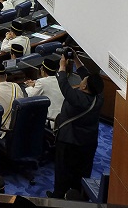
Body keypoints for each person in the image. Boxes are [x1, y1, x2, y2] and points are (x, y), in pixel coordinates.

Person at [49, 51, 104, 198]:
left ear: (84, 86)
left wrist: (62, 66)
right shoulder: (98, 96)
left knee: (63, 171)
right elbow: (87, 76)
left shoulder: (77, 98)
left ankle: (58, 196)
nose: (82, 79)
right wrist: (76, 59)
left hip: (69, 141)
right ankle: (78, 197)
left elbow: (63, 84)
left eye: (83, 80)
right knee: (82, 172)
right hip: (89, 142)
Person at [24, 58, 63, 123]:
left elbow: (31, 95)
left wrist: (29, 86)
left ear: (42, 70)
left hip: (52, 120)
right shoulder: (60, 80)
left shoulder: (41, 82)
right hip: (63, 117)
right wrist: (35, 83)